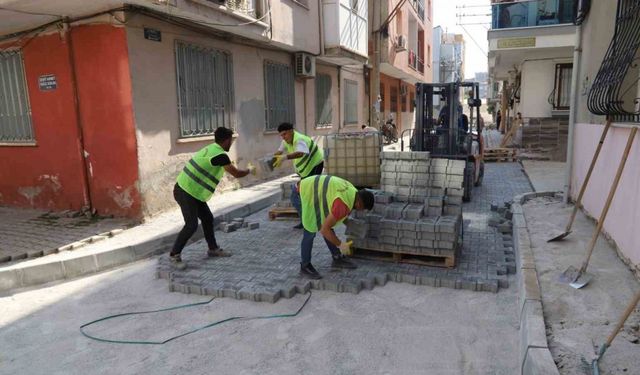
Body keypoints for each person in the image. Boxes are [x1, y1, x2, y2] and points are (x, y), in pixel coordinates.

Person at [169, 127, 253, 269]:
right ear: (226, 140)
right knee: (191, 225)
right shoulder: (221, 156)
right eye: (231, 141)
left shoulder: (210, 148)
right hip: (185, 191)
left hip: (193, 192)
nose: (231, 144)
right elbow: (237, 174)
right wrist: (250, 170)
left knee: (207, 218)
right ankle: (174, 255)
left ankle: (212, 249)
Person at [297, 175, 375, 279]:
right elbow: (325, 230)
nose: (361, 211)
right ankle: (305, 266)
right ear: (360, 204)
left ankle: (337, 257)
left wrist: (350, 223)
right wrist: (341, 244)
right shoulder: (342, 204)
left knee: (327, 223)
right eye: (363, 209)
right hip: (303, 193)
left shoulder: (353, 191)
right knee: (310, 231)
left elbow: (338, 215)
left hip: (315, 191)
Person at [273, 122, 324, 229]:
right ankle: (307, 221)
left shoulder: (299, 139)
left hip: (314, 165)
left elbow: (301, 153)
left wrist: (284, 158)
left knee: (305, 195)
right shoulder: (285, 141)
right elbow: (278, 152)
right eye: (281, 135)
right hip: (305, 170)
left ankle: (311, 221)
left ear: (291, 131)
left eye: (285, 134)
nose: (283, 137)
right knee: (303, 195)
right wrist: (270, 160)